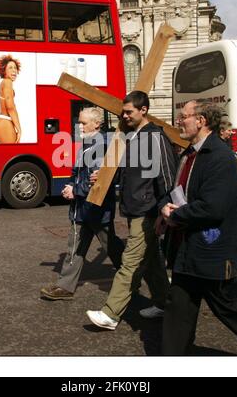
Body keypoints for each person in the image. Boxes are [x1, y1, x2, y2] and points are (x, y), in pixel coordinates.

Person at [159, 99, 237, 355]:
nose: (178, 121)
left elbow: (212, 207)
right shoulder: (189, 153)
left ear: (201, 121)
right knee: (179, 305)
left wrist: (176, 216)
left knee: (227, 306)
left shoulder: (220, 158)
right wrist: (164, 206)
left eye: (183, 116)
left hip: (210, 251)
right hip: (187, 251)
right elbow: (175, 189)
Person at [86, 91, 177, 330]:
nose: (124, 116)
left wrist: (163, 210)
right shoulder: (132, 135)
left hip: (147, 210)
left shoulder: (154, 136)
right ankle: (165, 304)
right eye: (123, 112)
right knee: (153, 261)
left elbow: (167, 175)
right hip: (135, 206)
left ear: (143, 110)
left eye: (129, 112)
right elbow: (127, 169)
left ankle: (111, 314)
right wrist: (104, 175)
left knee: (130, 262)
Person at [40, 107, 125, 300]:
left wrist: (75, 190)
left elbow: (98, 182)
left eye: (83, 123)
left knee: (111, 246)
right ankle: (65, 286)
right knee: (76, 246)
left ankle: (131, 275)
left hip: (95, 207)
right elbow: (78, 172)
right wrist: (70, 184)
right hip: (84, 208)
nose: (79, 126)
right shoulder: (88, 143)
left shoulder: (101, 145)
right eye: (79, 122)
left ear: (97, 123)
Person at [0, 54, 22, 144]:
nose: (14, 70)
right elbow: (10, 108)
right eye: (10, 68)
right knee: (13, 152)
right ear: (4, 70)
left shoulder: (4, 83)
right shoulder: (7, 82)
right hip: (4, 122)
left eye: (15, 68)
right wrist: (19, 129)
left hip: (1, 121)